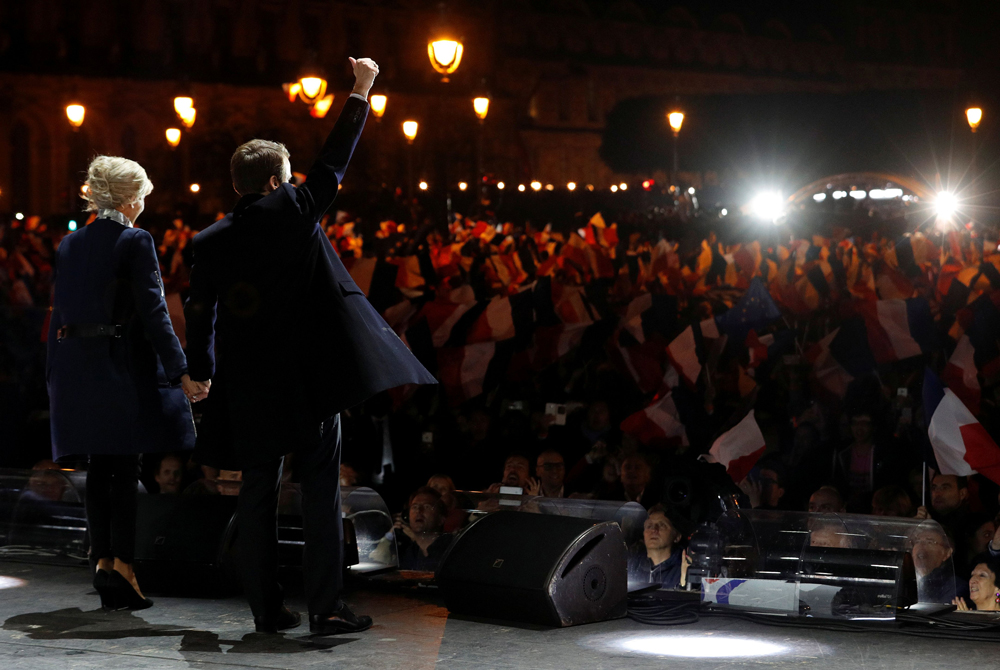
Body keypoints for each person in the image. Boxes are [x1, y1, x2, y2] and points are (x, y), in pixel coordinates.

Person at [184, 57, 436, 636]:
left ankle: (265, 610)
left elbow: (200, 315)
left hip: (247, 386)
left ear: (238, 185)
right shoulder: (296, 209)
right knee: (321, 489)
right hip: (307, 383)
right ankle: (326, 606)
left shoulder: (210, 241)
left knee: (256, 495)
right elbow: (335, 159)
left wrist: (198, 372)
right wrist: (361, 88)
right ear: (276, 181)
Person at [47, 155, 204, 611]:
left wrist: (53, 376)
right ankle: (124, 567)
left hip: (77, 370)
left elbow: (60, 315)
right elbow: (155, 312)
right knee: (125, 468)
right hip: (119, 369)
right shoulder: (135, 240)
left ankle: (102, 562)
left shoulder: (69, 244)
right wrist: (182, 371)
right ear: (130, 198)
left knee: (99, 468)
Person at [393, 487, 453, 571]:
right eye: (414, 507)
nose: (419, 511)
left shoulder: (451, 546)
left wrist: (417, 540)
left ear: (441, 519)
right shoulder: (408, 550)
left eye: (427, 507)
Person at [628, 505, 686, 588]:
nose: (654, 530)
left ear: (677, 536)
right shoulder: (631, 566)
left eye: (662, 525)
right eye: (649, 526)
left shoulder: (683, 568)